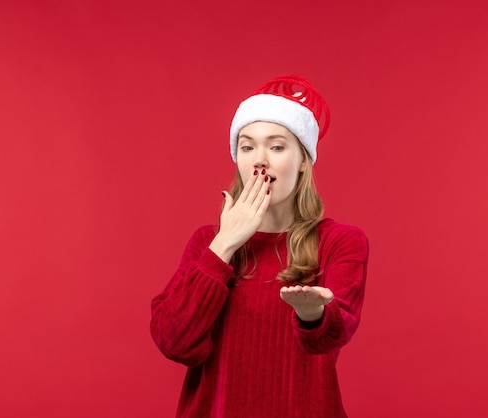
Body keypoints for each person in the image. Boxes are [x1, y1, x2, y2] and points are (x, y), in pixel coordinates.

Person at [150, 75, 369, 418]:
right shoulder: (207, 242)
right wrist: (224, 244)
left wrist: (313, 314)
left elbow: (333, 334)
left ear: (303, 160)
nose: (259, 160)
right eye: (247, 146)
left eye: (277, 146)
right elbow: (174, 340)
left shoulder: (340, 241)